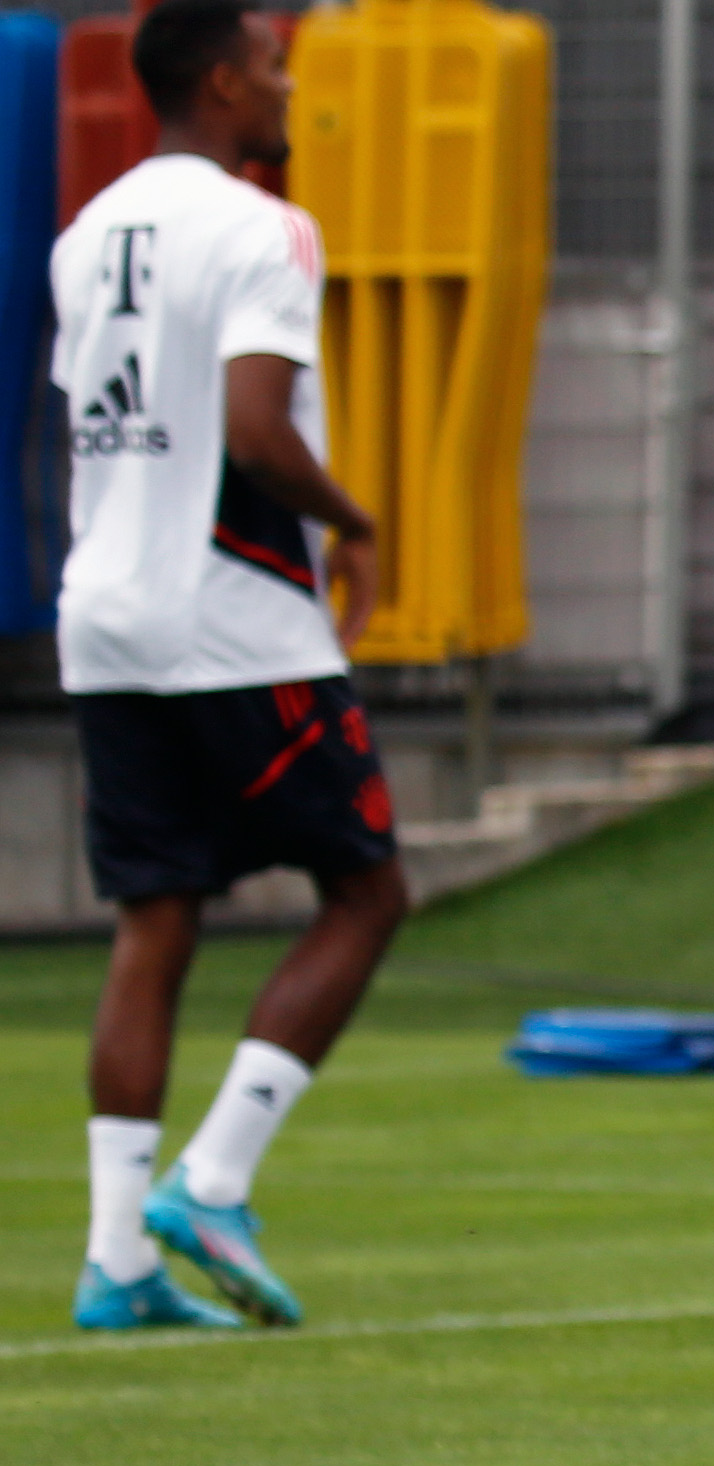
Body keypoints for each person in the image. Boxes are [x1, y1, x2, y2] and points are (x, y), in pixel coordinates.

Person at [61, 0, 396, 1333]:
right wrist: (356, 523)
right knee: (367, 893)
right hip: (235, 615)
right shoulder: (265, 229)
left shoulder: (85, 236)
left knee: (156, 924)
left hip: (110, 615)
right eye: (270, 69)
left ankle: (116, 1262)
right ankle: (213, 1178)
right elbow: (257, 431)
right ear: (218, 80)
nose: (285, 91)